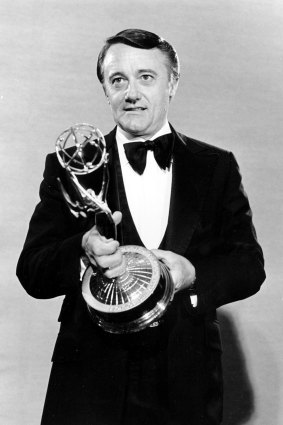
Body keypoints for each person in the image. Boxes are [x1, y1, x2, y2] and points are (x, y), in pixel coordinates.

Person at [17, 29, 266, 425]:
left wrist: (193, 276)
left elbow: (249, 264)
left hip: (186, 377)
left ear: (172, 83)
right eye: (118, 80)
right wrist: (82, 252)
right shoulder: (72, 163)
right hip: (89, 380)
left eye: (146, 77)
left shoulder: (215, 166)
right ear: (106, 90)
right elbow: (31, 269)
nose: (131, 92)